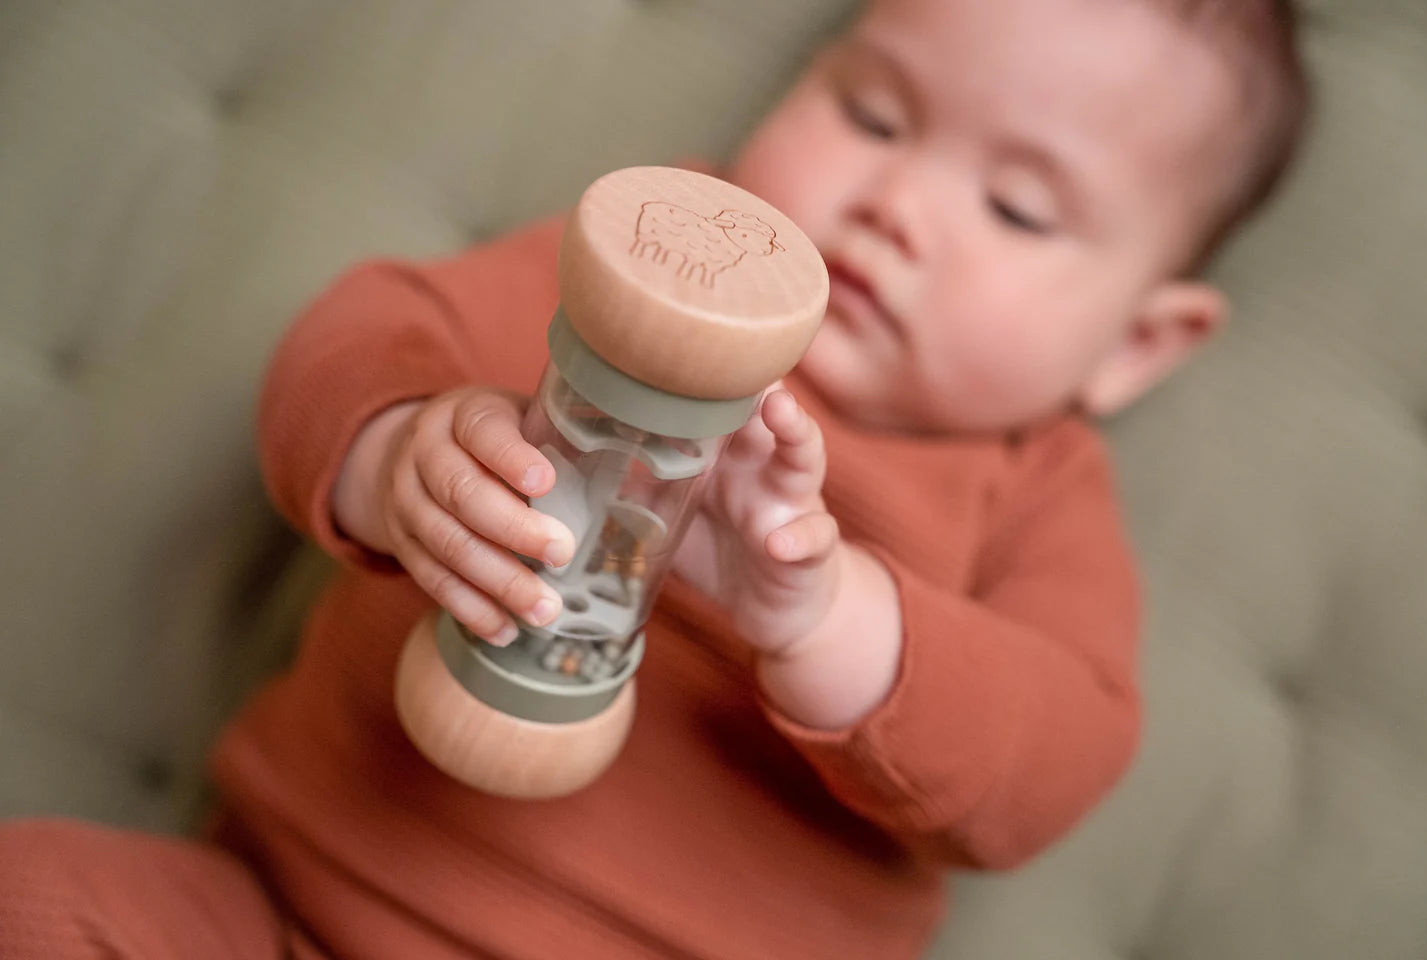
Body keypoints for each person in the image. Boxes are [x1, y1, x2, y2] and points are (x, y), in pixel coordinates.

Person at [0, 0, 1309, 957]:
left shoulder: (1034, 490)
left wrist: (824, 614)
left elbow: (1049, 763)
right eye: (871, 113)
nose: (895, 202)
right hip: (274, 914)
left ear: (1140, 343)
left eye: (1018, 210)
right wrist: (398, 450)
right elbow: (366, 329)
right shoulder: (656, 258)